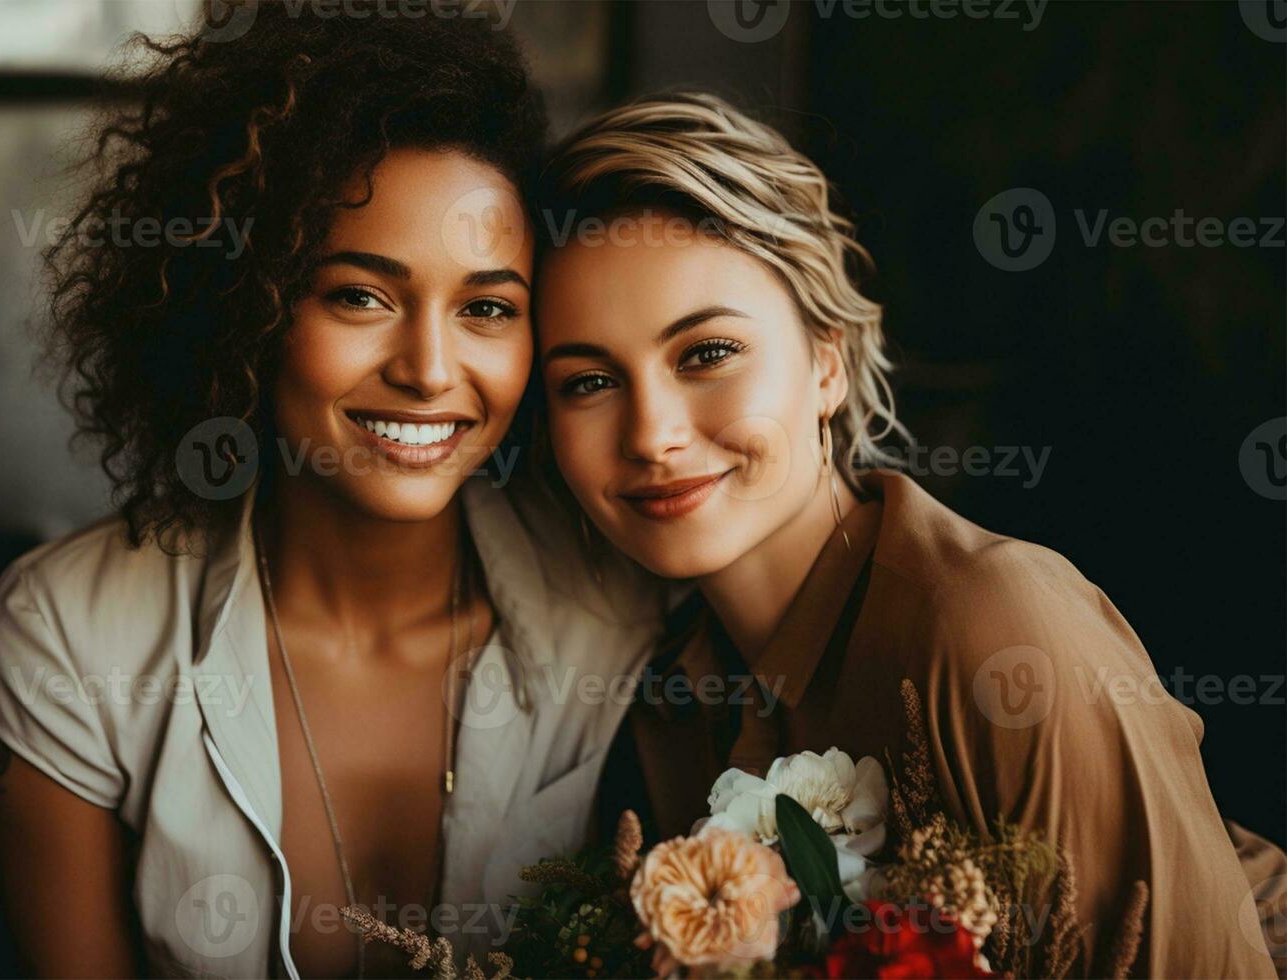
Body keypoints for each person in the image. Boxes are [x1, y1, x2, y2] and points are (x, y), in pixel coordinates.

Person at [0, 10, 669, 978]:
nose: (427, 369)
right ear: (245, 303)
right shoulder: (66, 642)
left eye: (487, 307)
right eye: (359, 295)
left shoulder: (620, 604)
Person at [532, 91, 1285, 977]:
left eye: (707, 353)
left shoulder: (996, 631)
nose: (651, 434)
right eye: (587, 382)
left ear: (826, 361)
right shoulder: (660, 698)